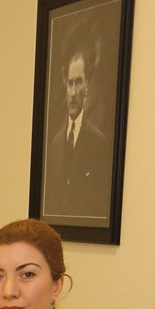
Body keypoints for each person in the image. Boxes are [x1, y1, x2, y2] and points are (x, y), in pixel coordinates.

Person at [43, 50, 112, 218]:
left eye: (78, 82)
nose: (73, 92)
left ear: (87, 86)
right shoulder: (55, 144)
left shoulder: (98, 142)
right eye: (70, 83)